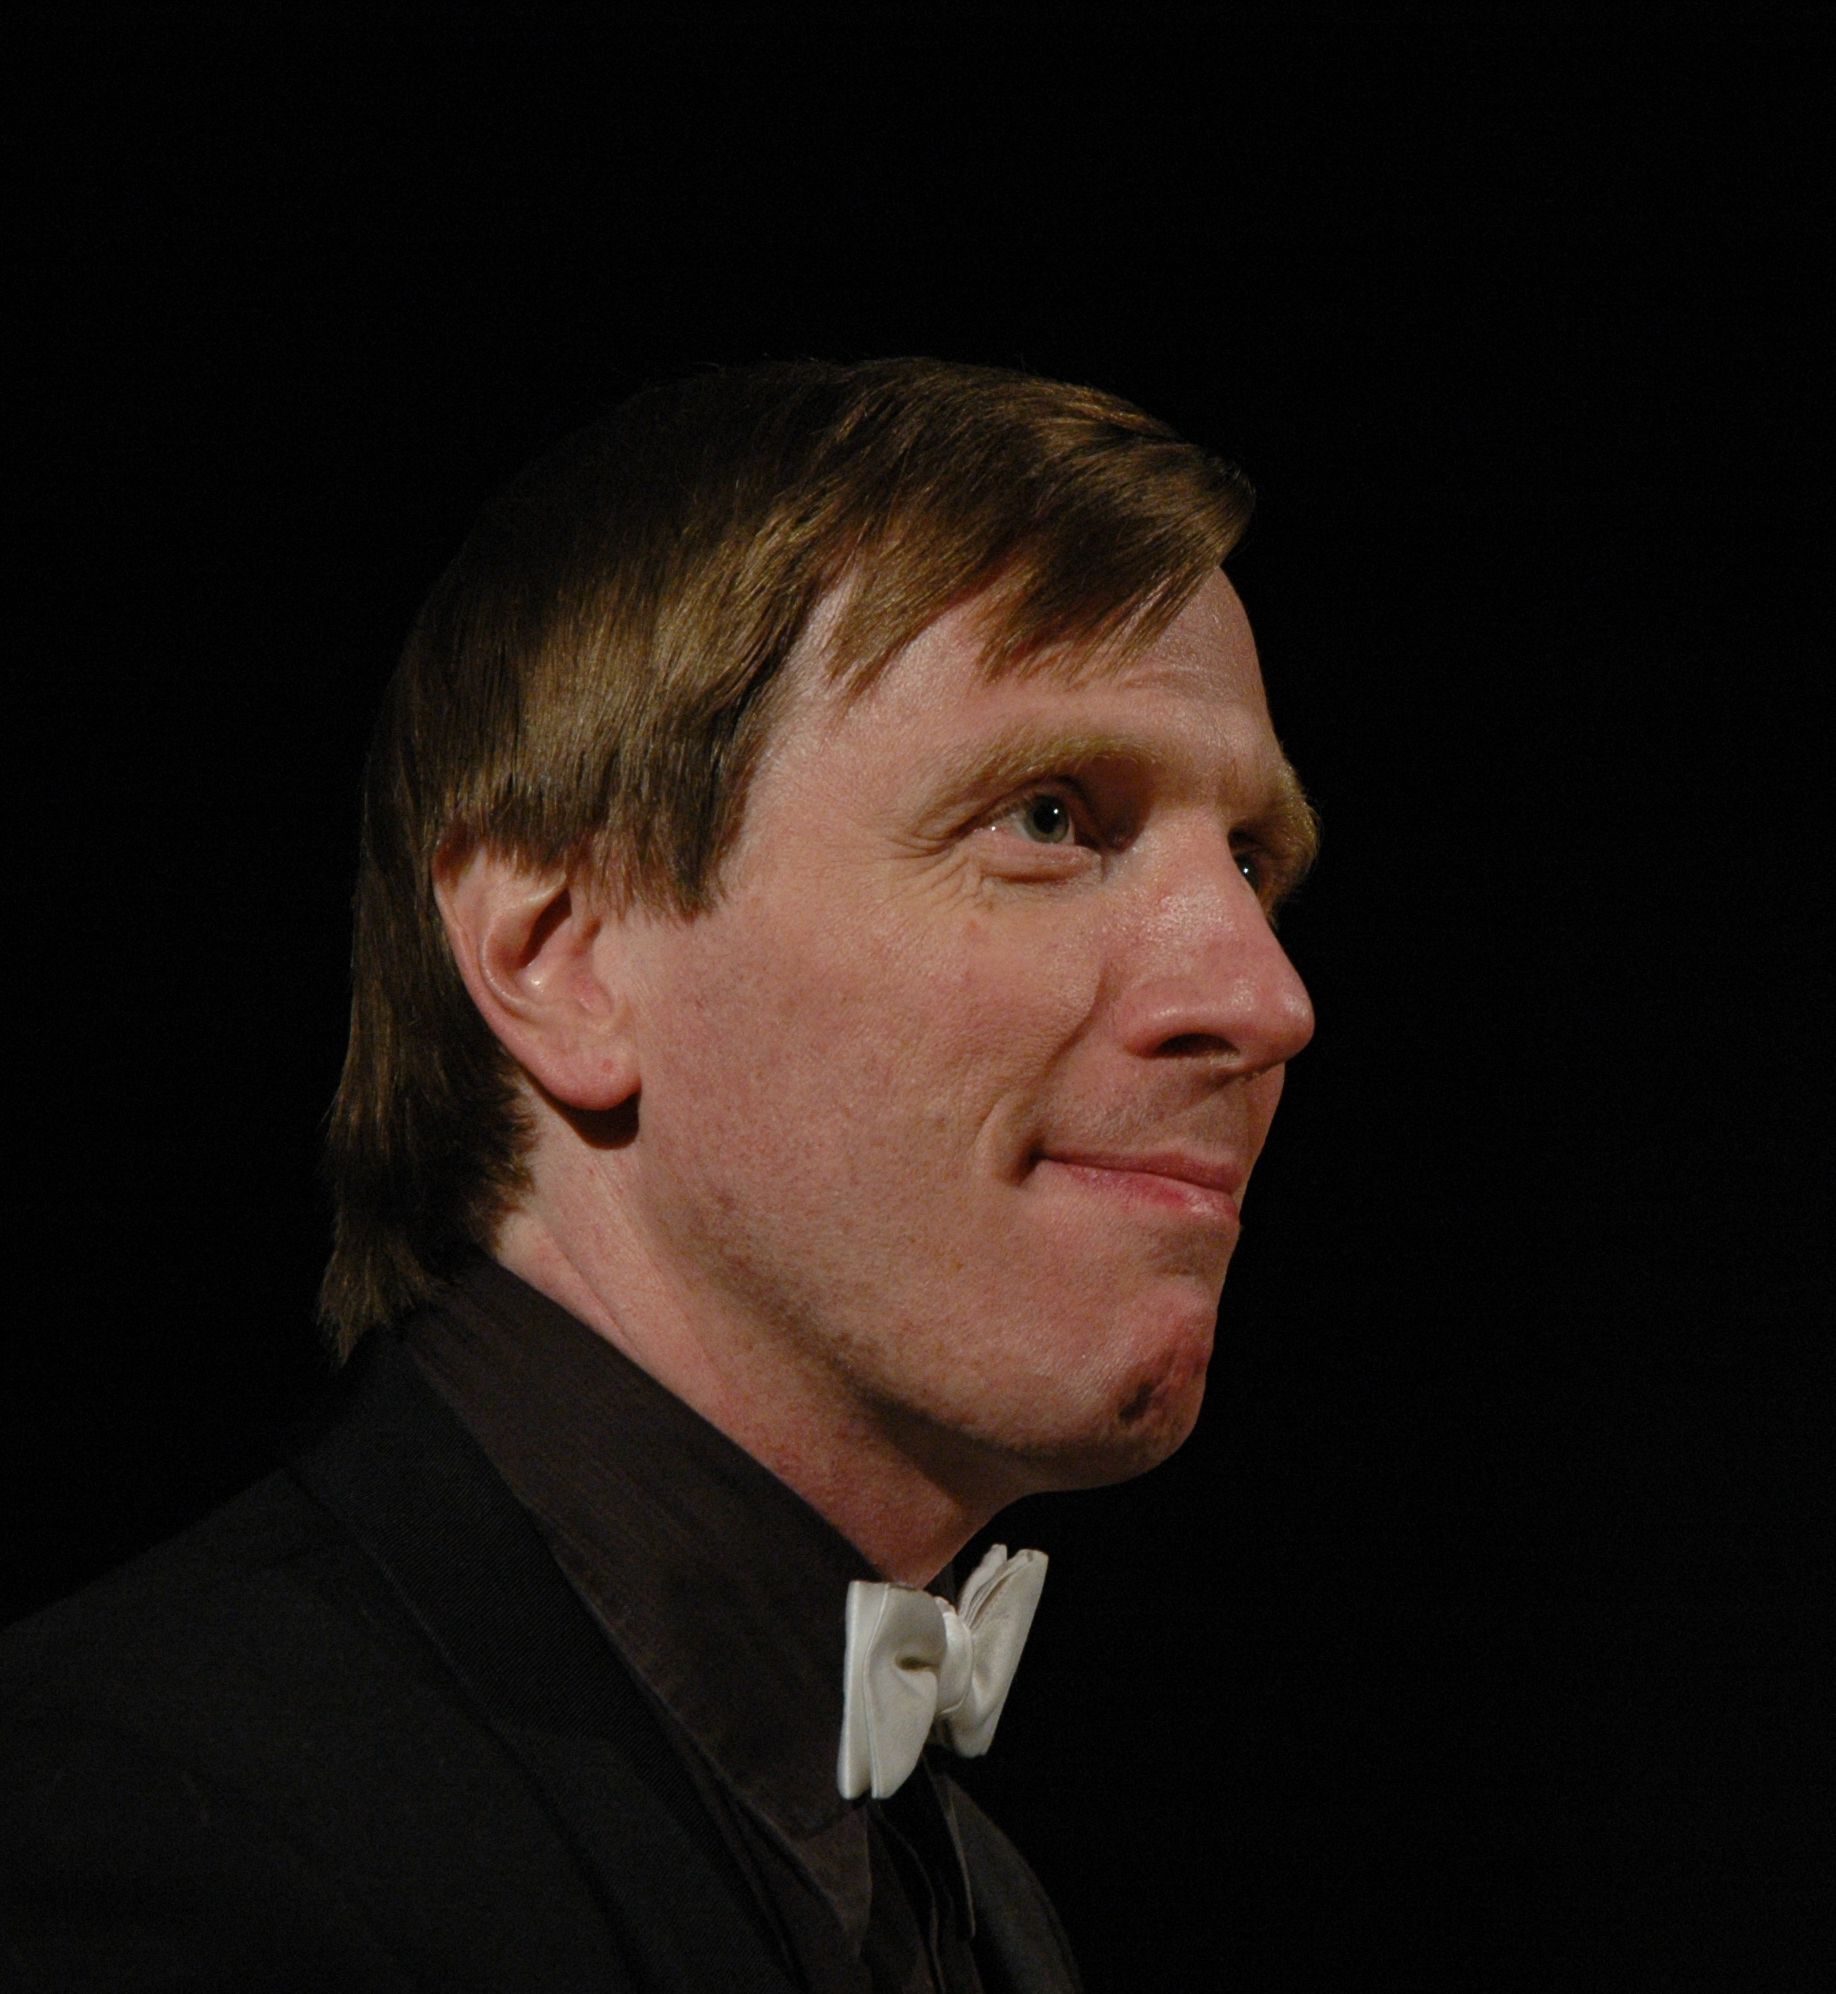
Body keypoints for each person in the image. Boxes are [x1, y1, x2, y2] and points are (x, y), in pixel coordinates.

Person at [1, 358, 1317, 1990]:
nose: (1267, 995)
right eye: (1050, 815)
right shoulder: (145, 1830)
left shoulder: (981, 1901)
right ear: (562, 956)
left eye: (1253, 861)